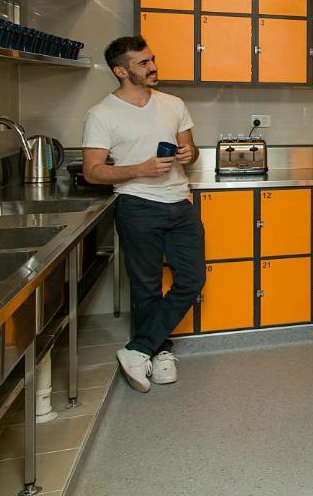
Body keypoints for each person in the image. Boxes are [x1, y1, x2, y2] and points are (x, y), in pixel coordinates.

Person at [82, 36, 205, 393]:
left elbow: (193, 150)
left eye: (152, 59)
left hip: (179, 203)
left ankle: (139, 348)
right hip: (137, 205)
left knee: (192, 279)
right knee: (146, 285)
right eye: (142, 63)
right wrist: (141, 168)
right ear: (121, 71)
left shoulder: (173, 104)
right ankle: (160, 351)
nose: (152, 67)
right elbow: (93, 171)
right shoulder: (101, 114)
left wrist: (188, 154)